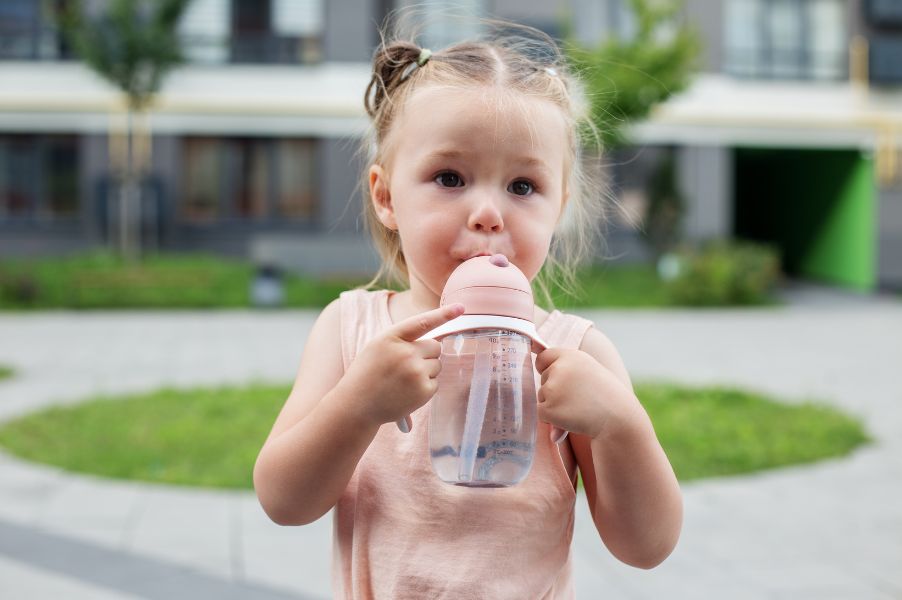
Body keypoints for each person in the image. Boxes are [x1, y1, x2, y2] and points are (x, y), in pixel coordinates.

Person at [253, 17, 682, 599]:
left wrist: (621, 426)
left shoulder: (575, 355)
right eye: (449, 177)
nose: (488, 212)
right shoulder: (353, 331)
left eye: (524, 186)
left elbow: (647, 547)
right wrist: (357, 405)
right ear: (385, 196)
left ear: (560, 208)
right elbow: (284, 502)